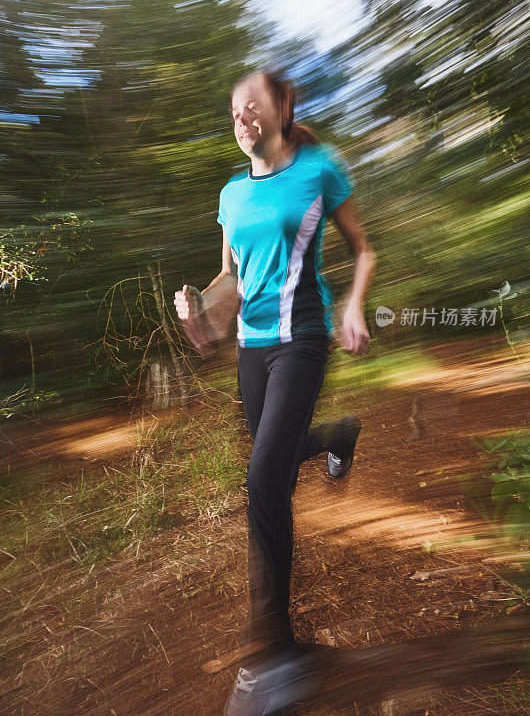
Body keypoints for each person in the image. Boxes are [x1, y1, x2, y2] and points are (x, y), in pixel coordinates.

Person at [174, 68, 376, 716]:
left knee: (262, 482)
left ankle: (276, 653)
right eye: (234, 109)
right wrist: (199, 313)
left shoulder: (318, 171)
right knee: (277, 465)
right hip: (253, 350)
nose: (243, 115)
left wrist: (353, 305)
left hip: (304, 338)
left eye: (254, 104)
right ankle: (337, 435)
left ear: (284, 106)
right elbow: (231, 279)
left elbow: (362, 249)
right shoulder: (231, 195)